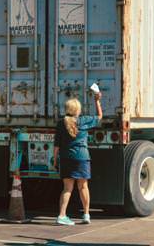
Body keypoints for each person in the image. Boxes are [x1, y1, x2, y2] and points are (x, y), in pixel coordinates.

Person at [53, 94, 102, 225]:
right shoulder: (83, 120)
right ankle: (86, 215)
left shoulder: (61, 123)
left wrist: (54, 160)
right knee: (83, 187)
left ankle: (62, 216)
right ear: (78, 110)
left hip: (66, 158)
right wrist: (97, 101)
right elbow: (99, 117)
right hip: (82, 158)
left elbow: (57, 144)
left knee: (67, 188)